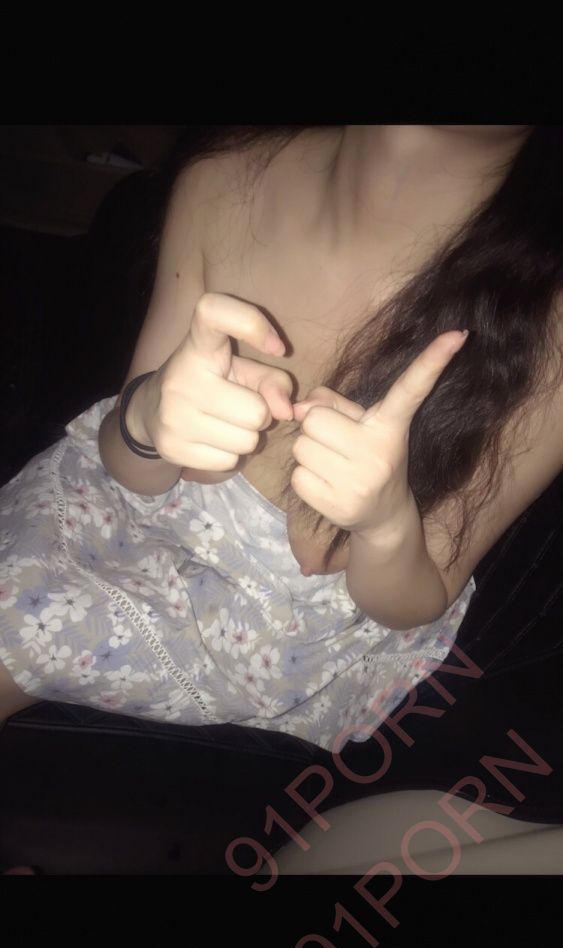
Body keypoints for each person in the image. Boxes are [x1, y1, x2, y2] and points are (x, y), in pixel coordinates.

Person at [1, 125, 562, 762]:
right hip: (110, 517)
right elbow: (126, 468)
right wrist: (147, 418)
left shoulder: (549, 317)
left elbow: (418, 600)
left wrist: (384, 526)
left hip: (285, 627)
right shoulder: (221, 178)